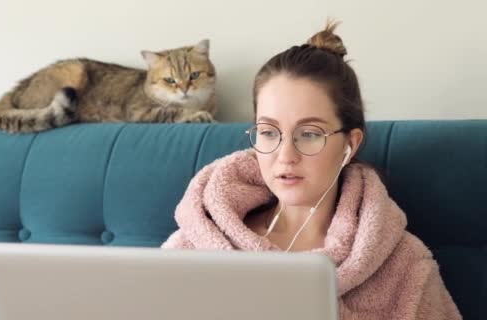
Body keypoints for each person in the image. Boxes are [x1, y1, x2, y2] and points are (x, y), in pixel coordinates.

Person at [162, 21, 461, 319]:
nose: (286, 156)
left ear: (350, 144)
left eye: (309, 134)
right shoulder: (195, 244)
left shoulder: (404, 267)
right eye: (268, 132)